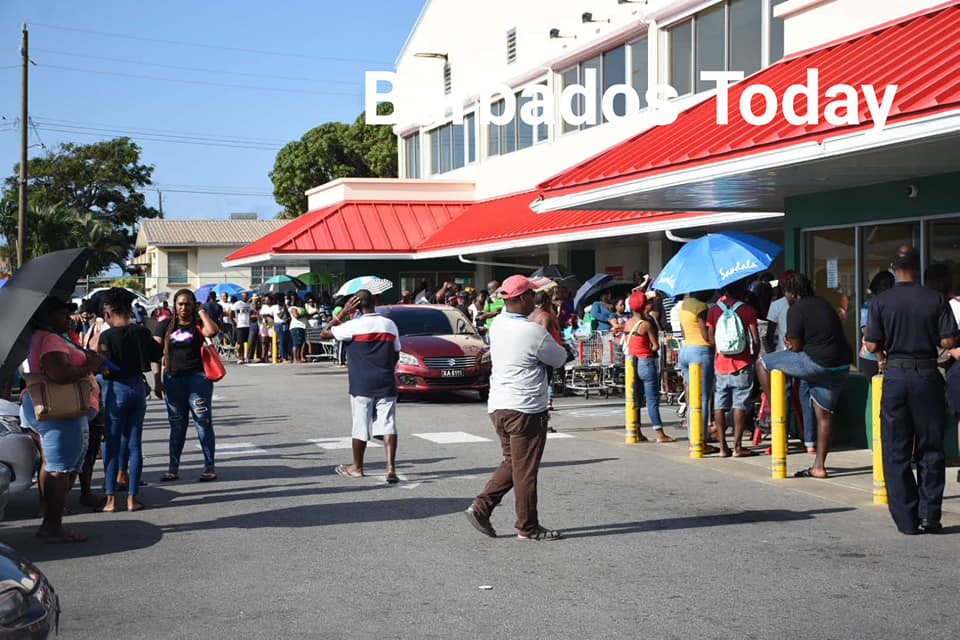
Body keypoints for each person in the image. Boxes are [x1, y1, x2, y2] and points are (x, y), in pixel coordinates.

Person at [464, 275, 568, 541]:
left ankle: (482, 507)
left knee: (514, 462)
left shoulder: (497, 323)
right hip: (525, 408)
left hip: (498, 405)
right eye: (531, 295)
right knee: (525, 470)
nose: (534, 299)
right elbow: (558, 359)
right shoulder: (532, 331)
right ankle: (527, 526)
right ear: (522, 298)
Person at [865, 246, 957, 534]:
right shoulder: (936, 299)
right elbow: (948, 341)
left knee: (896, 449)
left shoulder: (881, 302)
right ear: (918, 267)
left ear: (893, 266)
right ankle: (930, 515)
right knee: (931, 447)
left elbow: (870, 345)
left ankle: (906, 519)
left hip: (895, 375)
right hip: (927, 374)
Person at [20, 297, 104, 542]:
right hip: (59, 411)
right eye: (62, 313)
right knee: (59, 468)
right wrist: (90, 365)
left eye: (69, 313)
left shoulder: (44, 337)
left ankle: (51, 517)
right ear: (46, 316)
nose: (68, 318)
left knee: (53, 464)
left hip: (50, 409)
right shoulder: (50, 339)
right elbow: (60, 373)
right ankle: (52, 525)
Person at [757, 273, 852, 479]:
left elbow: (796, 347)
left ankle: (775, 408)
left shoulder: (796, 309)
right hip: (841, 365)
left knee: (762, 363)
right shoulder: (825, 304)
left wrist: (788, 341)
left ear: (793, 293)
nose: (786, 296)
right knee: (824, 415)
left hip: (816, 362)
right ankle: (819, 466)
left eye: (787, 293)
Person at [320, 290, 401, 482]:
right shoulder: (389, 325)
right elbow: (396, 353)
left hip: (361, 384)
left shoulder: (352, 326)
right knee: (388, 424)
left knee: (360, 426)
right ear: (375, 302)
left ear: (356, 305)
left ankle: (357, 467)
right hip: (386, 381)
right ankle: (390, 468)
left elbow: (324, 333)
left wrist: (342, 312)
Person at [96, 288, 163, 512]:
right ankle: (133, 498)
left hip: (116, 389)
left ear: (107, 313)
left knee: (113, 445)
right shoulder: (141, 332)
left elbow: (104, 369)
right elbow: (157, 353)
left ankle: (111, 499)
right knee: (135, 445)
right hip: (137, 387)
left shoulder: (106, 336)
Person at [152, 289, 220, 483]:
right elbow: (155, 353)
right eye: (180, 304)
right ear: (175, 305)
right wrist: (157, 380)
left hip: (198, 380)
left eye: (188, 304)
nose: (183, 308)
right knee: (177, 425)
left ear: (194, 305)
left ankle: (209, 466)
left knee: (203, 421)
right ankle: (173, 468)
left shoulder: (198, 324)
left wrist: (202, 312)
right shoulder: (165, 325)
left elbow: (213, 331)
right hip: (173, 380)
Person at [706, 279, 760, 457]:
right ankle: (737, 446)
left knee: (719, 405)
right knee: (740, 404)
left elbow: (711, 338)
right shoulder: (747, 310)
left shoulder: (713, 310)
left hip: (720, 364)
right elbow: (755, 339)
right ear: (742, 292)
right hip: (742, 363)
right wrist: (752, 356)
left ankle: (723, 447)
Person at [622, 290, 674, 444]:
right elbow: (655, 346)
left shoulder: (627, 323)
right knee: (652, 400)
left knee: (635, 399)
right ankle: (659, 434)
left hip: (632, 363)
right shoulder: (645, 324)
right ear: (644, 306)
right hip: (646, 362)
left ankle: (636, 431)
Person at [677, 290, 718, 453]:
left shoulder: (683, 305)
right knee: (703, 398)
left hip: (685, 350)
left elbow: (683, 331)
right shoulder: (701, 307)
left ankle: (691, 438)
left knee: (691, 397)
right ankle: (701, 440)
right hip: (701, 351)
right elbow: (705, 333)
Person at [528, 290, 563, 416]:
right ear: (547, 301)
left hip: (532, 353)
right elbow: (545, 337)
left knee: (537, 386)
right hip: (543, 354)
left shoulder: (530, 315)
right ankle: (543, 420)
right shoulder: (545, 316)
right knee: (545, 384)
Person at [859, 271, 895, 379]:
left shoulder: (869, 304)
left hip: (869, 357)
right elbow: (867, 331)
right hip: (876, 357)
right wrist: (881, 358)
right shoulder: (871, 305)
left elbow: (865, 330)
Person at [232, 292, 252, 364]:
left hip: (247, 325)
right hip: (240, 325)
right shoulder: (238, 304)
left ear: (248, 296)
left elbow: (251, 313)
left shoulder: (249, 304)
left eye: (245, 296)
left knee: (248, 341)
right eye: (243, 296)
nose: (244, 297)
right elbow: (231, 313)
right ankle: (241, 357)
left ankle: (247, 357)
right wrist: (234, 321)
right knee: (240, 342)